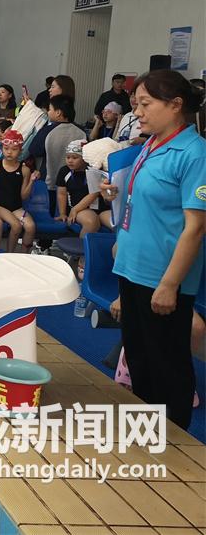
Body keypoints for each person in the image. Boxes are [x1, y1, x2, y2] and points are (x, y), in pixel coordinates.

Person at [101, 70, 205, 429]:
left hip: (161, 277)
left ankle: (173, 441)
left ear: (175, 105)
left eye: (145, 104)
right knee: (139, 359)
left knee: (167, 366)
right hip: (132, 268)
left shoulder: (194, 153)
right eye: (136, 104)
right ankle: (145, 431)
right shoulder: (152, 143)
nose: (138, 112)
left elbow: (196, 227)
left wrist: (170, 284)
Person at [0, 129, 40, 254]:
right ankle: (8, 254)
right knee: (16, 225)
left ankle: (24, 256)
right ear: (2, 148)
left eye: (14, 149)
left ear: (20, 150)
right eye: (6, 148)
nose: (9, 152)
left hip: (17, 208)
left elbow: (23, 196)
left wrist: (31, 181)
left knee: (31, 226)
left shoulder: (25, 170)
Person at [29, 95, 86, 210]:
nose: (48, 112)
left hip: (50, 182)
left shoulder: (47, 130)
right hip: (76, 183)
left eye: (50, 109)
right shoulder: (81, 131)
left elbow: (34, 150)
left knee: (52, 213)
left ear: (58, 112)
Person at [55, 139, 111, 236]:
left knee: (119, 224)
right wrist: (63, 213)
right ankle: (84, 246)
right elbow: (62, 194)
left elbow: (94, 193)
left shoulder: (95, 169)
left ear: (84, 158)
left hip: (102, 209)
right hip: (80, 209)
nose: (70, 160)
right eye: (68, 157)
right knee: (91, 222)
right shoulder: (64, 171)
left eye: (75, 158)